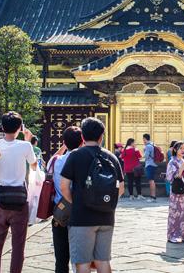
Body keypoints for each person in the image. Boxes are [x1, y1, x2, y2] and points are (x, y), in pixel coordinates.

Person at [60, 117, 125, 273]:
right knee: (103, 261)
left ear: (83, 136)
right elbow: (121, 188)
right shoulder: (111, 157)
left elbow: (64, 187)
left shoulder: (75, 155)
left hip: (82, 217)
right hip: (106, 217)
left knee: (83, 263)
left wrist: (77, 202)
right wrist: (106, 203)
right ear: (102, 136)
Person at [0, 112, 37, 273]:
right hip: (19, 200)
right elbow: (34, 166)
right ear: (20, 127)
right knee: (18, 246)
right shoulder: (25, 146)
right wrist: (28, 141)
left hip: (0, 200)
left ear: (2, 127)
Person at [47, 126, 83, 273]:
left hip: (60, 212)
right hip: (80, 213)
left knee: (61, 260)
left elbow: (50, 162)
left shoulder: (55, 161)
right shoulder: (84, 161)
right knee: (80, 258)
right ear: (82, 142)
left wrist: (64, 146)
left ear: (64, 142)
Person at [166, 141, 184, 243]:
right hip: (177, 189)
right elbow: (171, 177)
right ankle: (172, 235)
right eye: (180, 148)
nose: (183, 150)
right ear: (175, 150)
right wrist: (182, 168)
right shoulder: (172, 162)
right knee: (175, 212)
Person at [143, 133, 157, 203]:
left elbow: (146, 156)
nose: (143, 141)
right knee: (152, 181)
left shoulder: (148, 146)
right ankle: (152, 196)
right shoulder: (153, 144)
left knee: (151, 181)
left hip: (149, 164)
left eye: (143, 139)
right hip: (154, 164)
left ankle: (153, 197)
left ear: (145, 139)